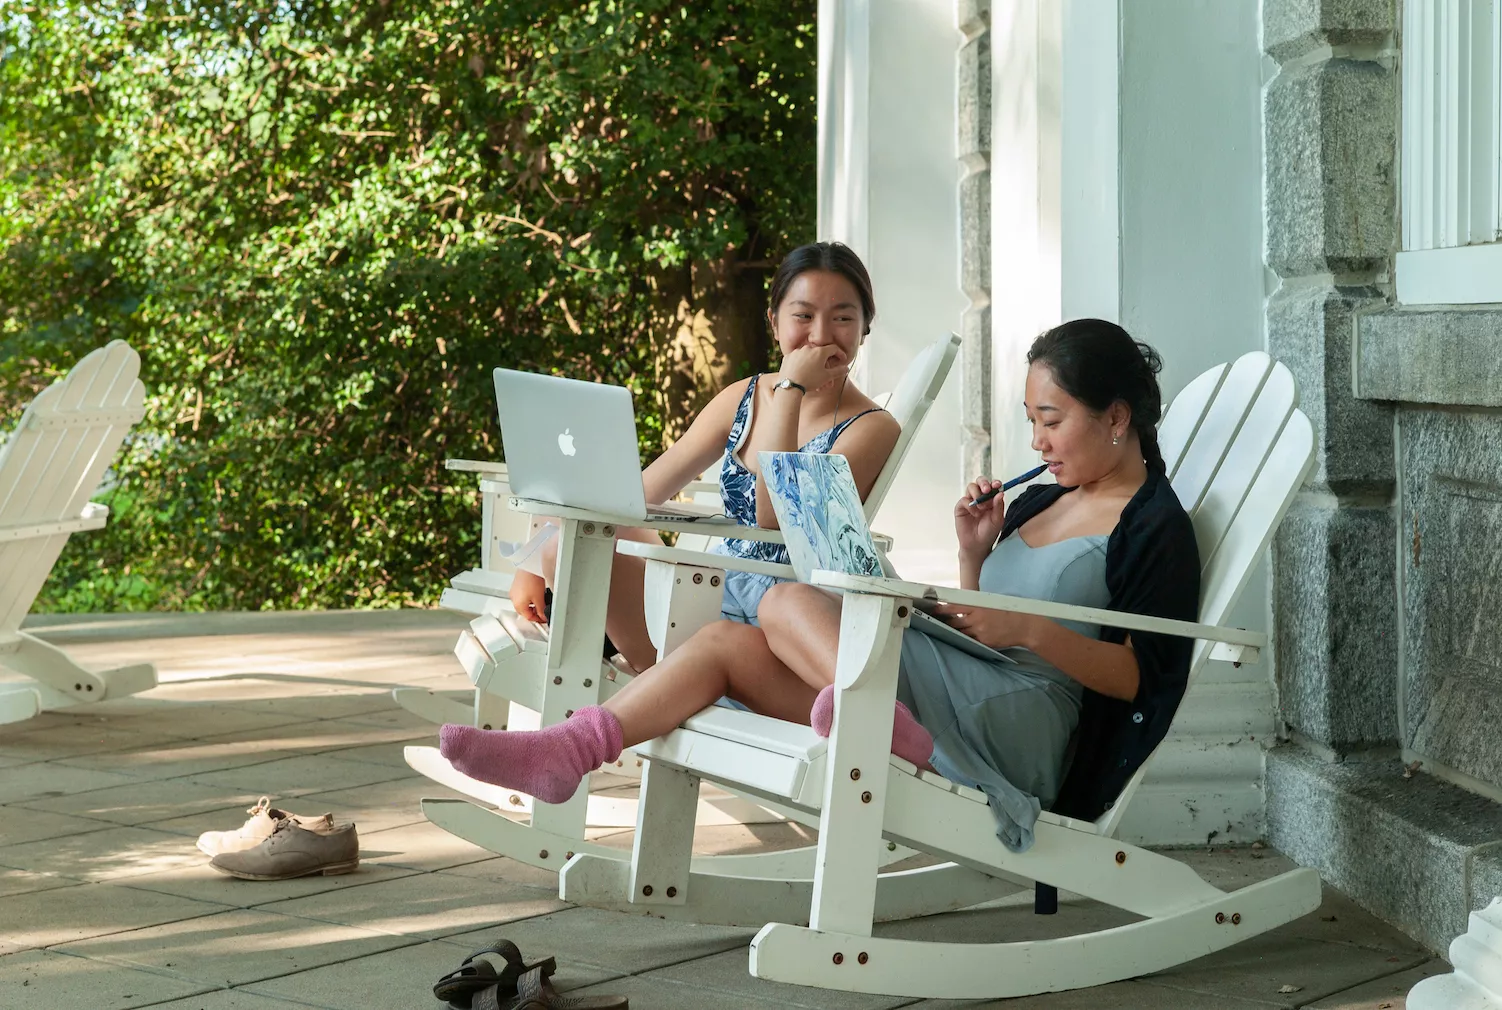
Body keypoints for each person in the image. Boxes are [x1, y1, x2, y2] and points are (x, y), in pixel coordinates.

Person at [440, 319, 1200, 852]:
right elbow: (994, 613)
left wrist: (1032, 633)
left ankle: (881, 723)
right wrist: (973, 556)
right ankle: (568, 750)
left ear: (1116, 417)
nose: (1036, 441)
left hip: (1027, 727)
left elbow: (1142, 676)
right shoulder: (1046, 496)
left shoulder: (1151, 524)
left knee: (787, 599)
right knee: (725, 644)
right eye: (1032, 420)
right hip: (969, 687)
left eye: (1051, 420)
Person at [506, 241, 900, 674]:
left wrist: (790, 390)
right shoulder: (743, 397)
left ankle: (644, 678)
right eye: (803, 315)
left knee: (582, 551)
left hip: (783, 621)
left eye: (843, 317)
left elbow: (775, 516)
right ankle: (618, 676)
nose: (821, 335)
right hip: (708, 586)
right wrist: (537, 561)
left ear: (864, 329)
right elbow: (639, 494)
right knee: (571, 543)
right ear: (774, 322)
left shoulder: (873, 427)